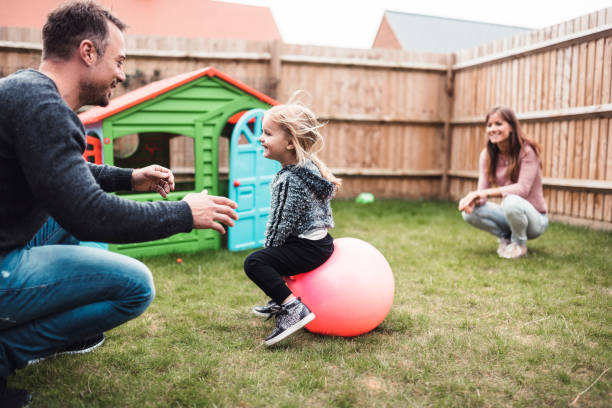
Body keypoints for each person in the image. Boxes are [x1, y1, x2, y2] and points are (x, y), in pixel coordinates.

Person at [0, 2, 238, 406]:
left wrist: (129, 177)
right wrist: (184, 213)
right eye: (119, 61)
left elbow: (64, 174)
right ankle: (7, 352)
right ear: (88, 52)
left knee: (66, 215)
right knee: (135, 287)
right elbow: (90, 214)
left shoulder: (27, 90)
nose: (123, 75)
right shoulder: (42, 108)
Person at [243, 99, 341, 346]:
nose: (260, 138)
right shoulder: (307, 166)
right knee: (274, 257)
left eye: (267, 133)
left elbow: (280, 224)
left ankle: (292, 309)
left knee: (256, 262)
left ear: (289, 142)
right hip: (321, 243)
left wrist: (269, 250)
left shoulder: (288, 179)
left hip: (308, 248)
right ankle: (281, 301)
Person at [458, 106, 548, 259]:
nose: (492, 129)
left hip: (535, 220)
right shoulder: (487, 155)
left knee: (511, 201)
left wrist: (482, 193)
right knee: (469, 214)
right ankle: (506, 239)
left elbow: (522, 189)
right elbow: (483, 195)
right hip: (510, 213)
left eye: (498, 124)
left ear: (512, 127)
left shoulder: (527, 151)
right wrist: (471, 200)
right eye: (489, 125)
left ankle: (519, 245)